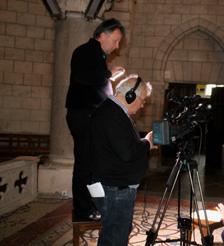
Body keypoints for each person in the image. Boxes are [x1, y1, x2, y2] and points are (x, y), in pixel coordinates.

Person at [65, 18, 126, 221]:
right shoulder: (85, 51)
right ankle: (83, 211)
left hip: (90, 117)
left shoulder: (97, 56)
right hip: (83, 116)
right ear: (104, 35)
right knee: (84, 165)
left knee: (92, 165)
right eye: (116, 41)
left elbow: (97, 85)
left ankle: (91, 206)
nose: (117, 46)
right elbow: (85, 77)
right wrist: (109, 74)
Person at [90, 77, 154, 246]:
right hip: (115, 190)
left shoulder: (112, 111)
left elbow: (122, 146)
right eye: (143, 101)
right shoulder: (112, 114)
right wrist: (146, 143)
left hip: (113, 187)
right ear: (130, 95)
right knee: (116, 237)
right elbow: (126, 153)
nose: (142, 106)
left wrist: (141, 143)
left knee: (112, 234)